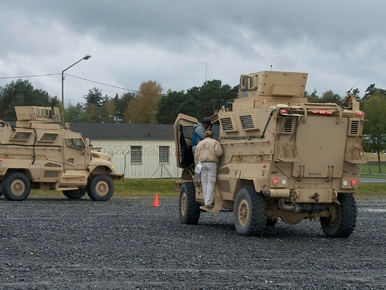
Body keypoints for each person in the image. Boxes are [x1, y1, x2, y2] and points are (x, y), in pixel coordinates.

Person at [194, 130, 223, 208]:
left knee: (204, 182)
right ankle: (208, 202)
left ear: (205, 136)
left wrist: (197, 165)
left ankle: (205, 200)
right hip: (211, 163)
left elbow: (196, 156)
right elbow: (219, 153)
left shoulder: (200, 143)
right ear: (212, 135)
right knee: (211, 182)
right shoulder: (215, 142)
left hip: (202, 164)